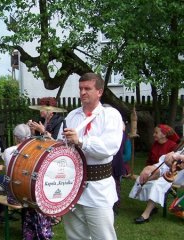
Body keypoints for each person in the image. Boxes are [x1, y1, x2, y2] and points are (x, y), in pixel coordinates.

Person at [58, 72, 123, 240]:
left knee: (104, 237)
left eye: (88, 88)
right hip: (72, 186)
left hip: (98, 188)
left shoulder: (110, 115)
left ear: (99, 92)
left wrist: (80, 141)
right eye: (80, 88)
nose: (82, 92)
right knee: (75, 236)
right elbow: (59, 147)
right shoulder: (72, 116)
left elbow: (109, 148)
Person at [2, 123, 53, 240]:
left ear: (15, 137)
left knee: (29, 198)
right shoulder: (37, 150)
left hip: (14, 195)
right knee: (34, 198)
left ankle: (30, 232)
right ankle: (41, 231)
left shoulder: (8, 151)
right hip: (32, 194)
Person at [129, 147, 184, 224]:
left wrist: (178, 157)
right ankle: (152, 207)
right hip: (172, 170)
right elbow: (169, 160)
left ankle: (146, 215)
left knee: (158, 184)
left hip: (179, 176)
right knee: (147, 175)